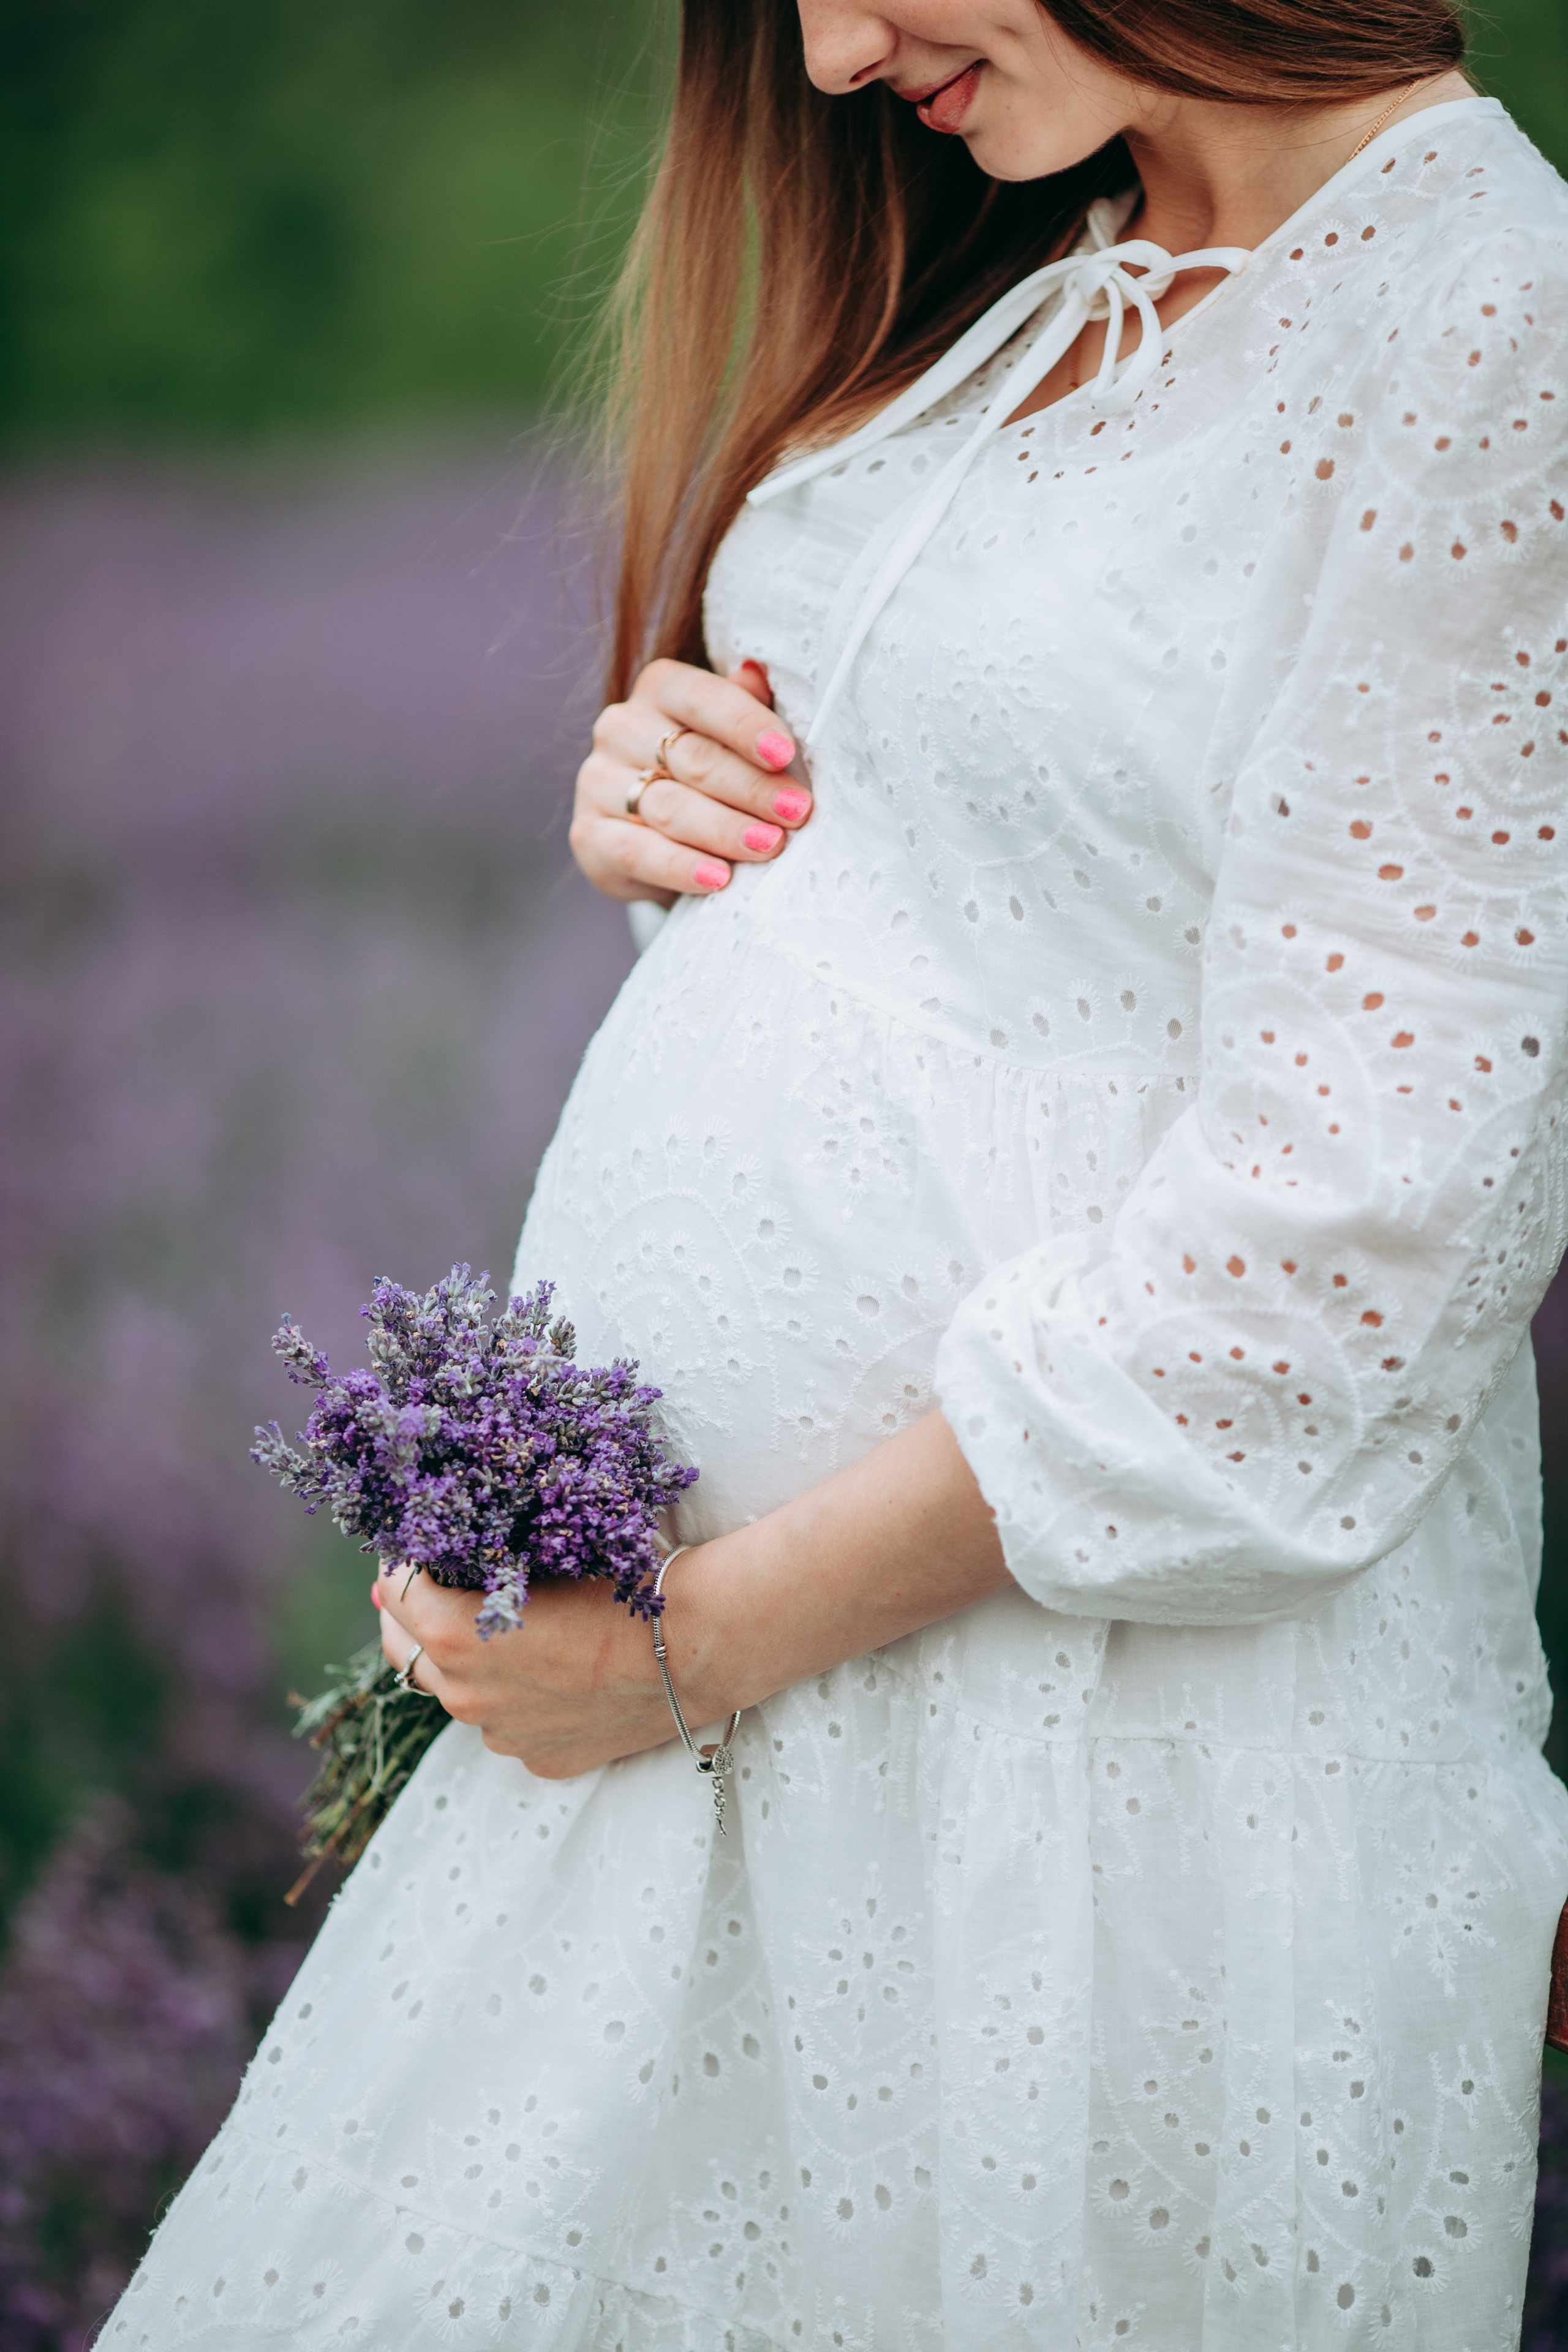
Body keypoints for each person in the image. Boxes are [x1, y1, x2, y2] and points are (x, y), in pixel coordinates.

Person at [107, 2, 1568, 2345]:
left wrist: (701, 1642)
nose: (829, 45)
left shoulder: (1489, 320)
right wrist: (688, 822)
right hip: (700, 1727)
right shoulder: (1065, 257)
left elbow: (1360, 1244)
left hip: (1067, 1769)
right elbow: (1031, 901)